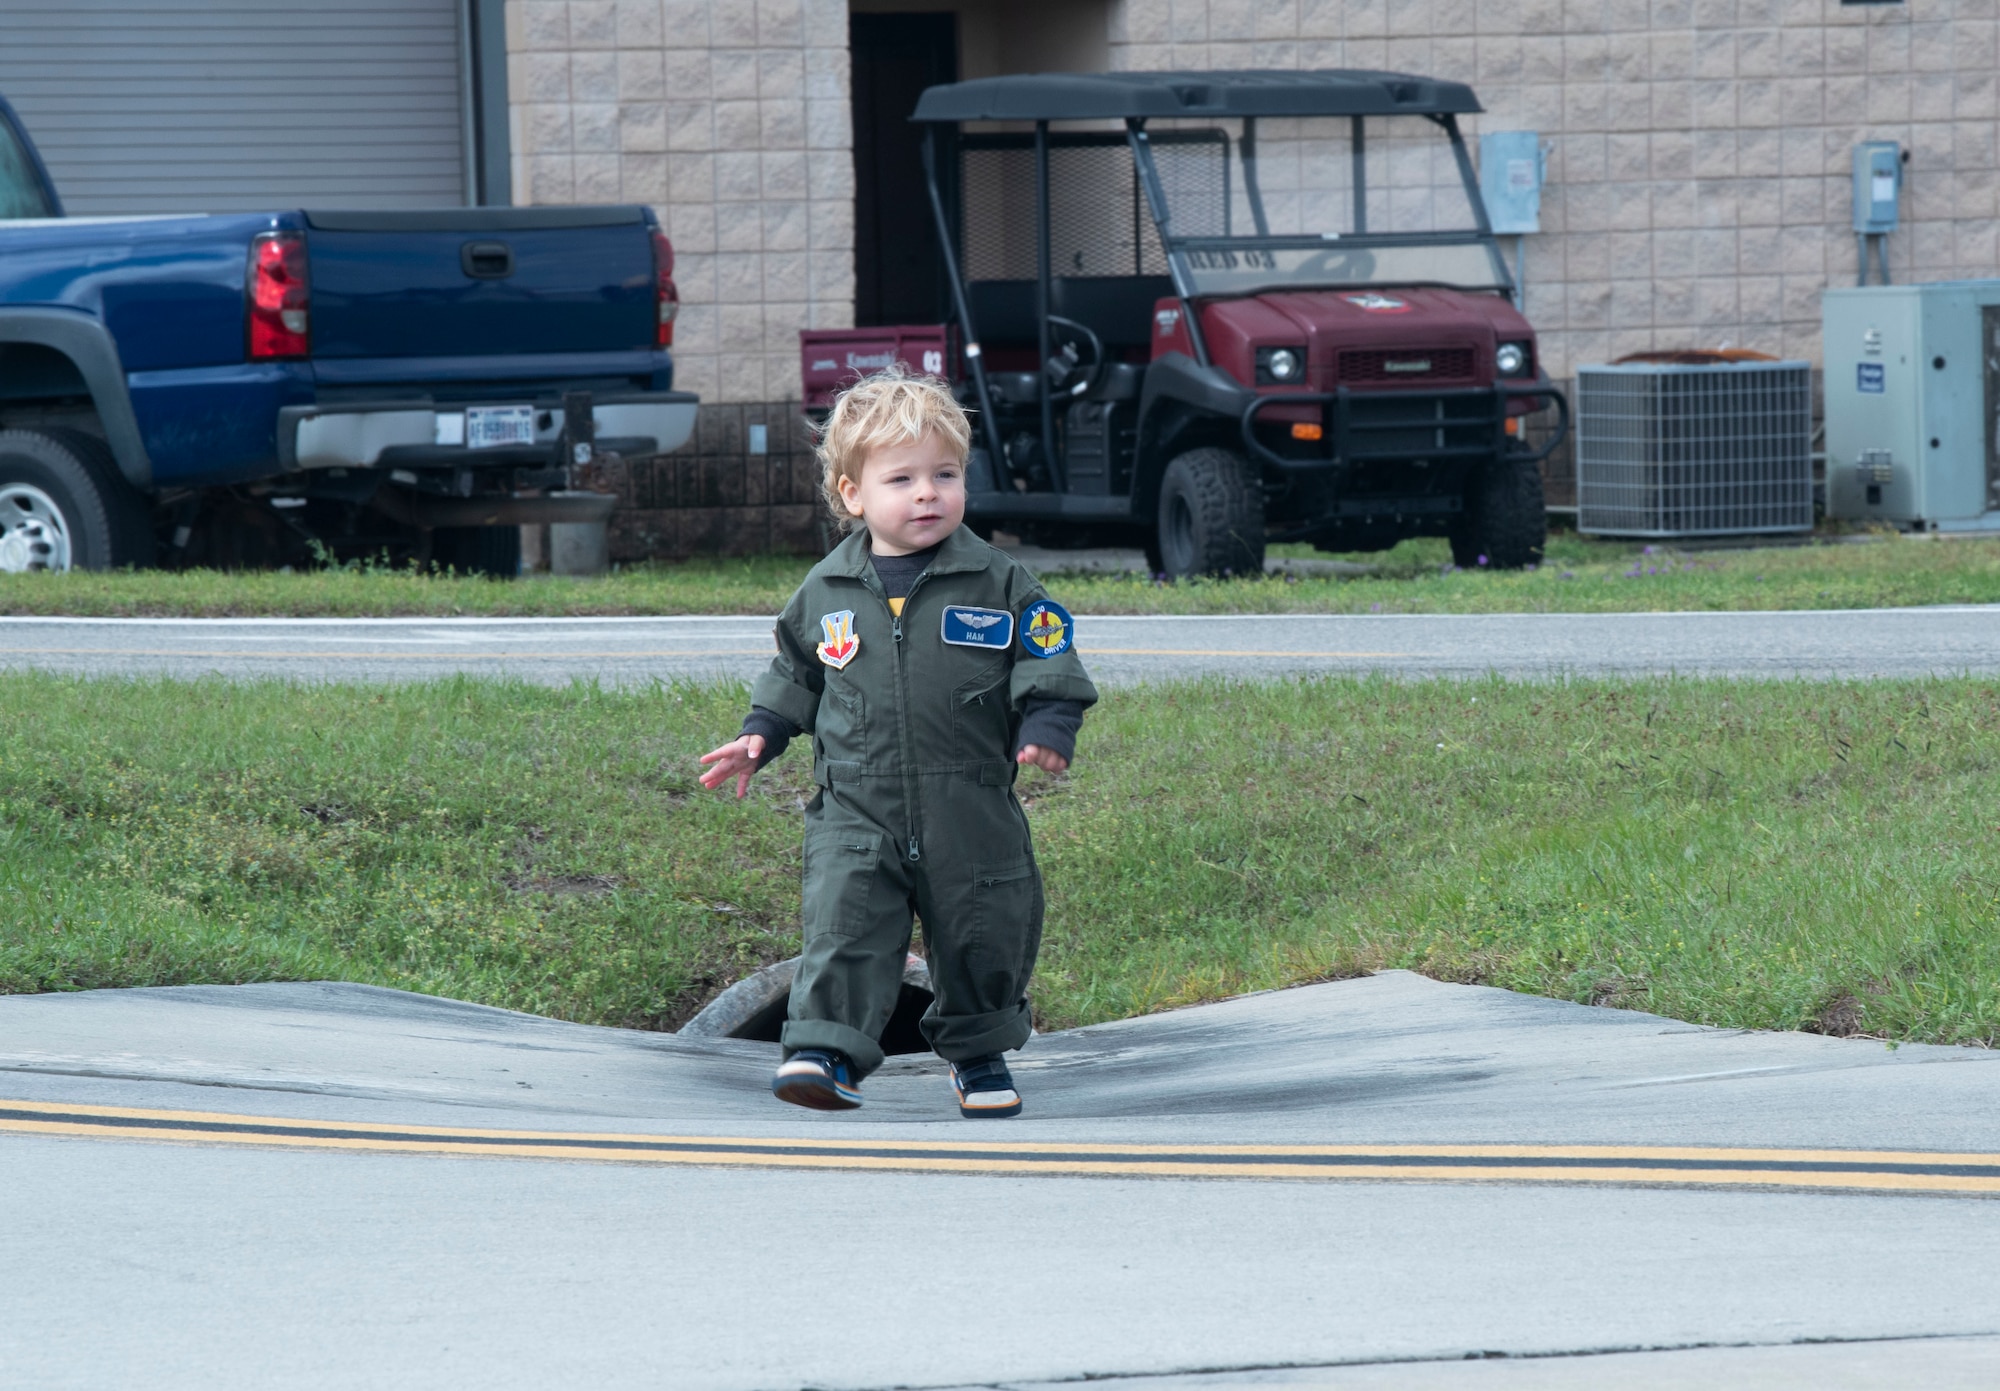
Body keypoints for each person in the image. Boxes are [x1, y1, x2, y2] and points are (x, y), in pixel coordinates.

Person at [698, 366, 1096, 1118]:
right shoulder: (826, 590)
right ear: (853, 495)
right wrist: (761, 734)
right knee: (846, 922)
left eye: (945, 474)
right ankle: (825, 1052)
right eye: (902, 478)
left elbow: (1048, 654)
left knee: (984, 930)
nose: (927, 493)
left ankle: (979, 1056)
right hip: (856, 801)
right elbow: (794, 671)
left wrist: (1048, 723)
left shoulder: (1000, 581)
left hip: (968, 799)